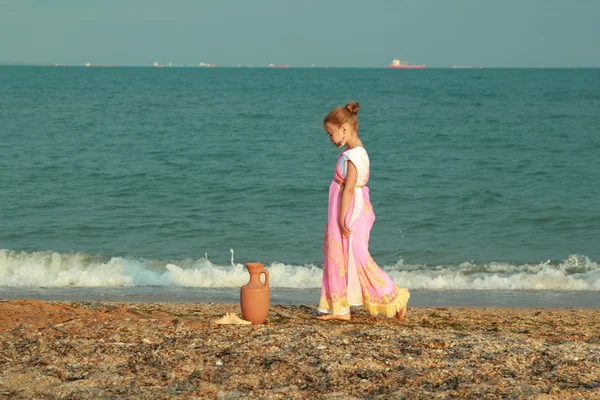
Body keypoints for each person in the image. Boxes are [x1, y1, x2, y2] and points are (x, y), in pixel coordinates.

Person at [317, 102, 410, 321]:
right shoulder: (354, 151)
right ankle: (340, 309)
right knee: (341, 255)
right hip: (349, 208)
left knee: (357, 255)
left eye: (331, 133)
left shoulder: (354, 156)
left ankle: (394, 297)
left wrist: (341, 218)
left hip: (349, 210)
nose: (330, 139)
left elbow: (348, 188)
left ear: (344, 129)